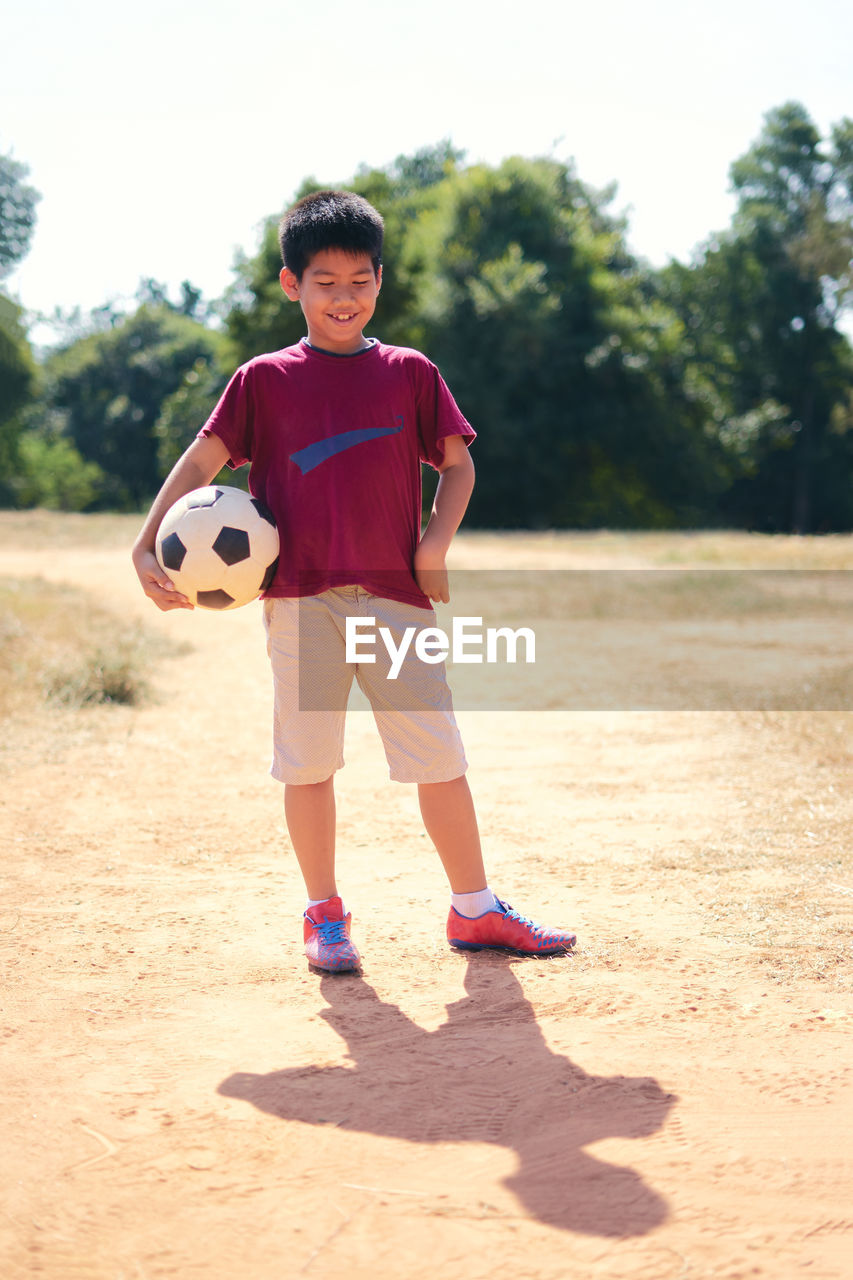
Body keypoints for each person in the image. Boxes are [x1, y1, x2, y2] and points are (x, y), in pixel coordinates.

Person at [132, 189, 576, 973]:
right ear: (290, 285)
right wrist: (146, 542)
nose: (344, 297)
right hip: (301, 600)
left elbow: (459, 461)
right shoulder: (262, 379)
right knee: (307, 765)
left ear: (380, 281)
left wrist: (434, 542)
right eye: (324, 281)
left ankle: (473, 911)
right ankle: (324, 916)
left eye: (359, 280)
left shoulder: (409, 373)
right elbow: (202, 461)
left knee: (438, 757)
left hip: (395, 603)